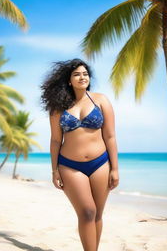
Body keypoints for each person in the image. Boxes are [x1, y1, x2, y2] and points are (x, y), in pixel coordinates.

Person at [40, 58, 119, 251]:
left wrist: (115, 168)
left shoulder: (101, 100)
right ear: (69, 80)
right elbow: (56, 140)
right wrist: (54, 170)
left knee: (98, 214)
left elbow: (110, 136)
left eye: (85, 73)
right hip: (70, 165)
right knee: (87, 212)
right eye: (76, 74)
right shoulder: (58, 107)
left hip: (100, 163)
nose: (82, 77)